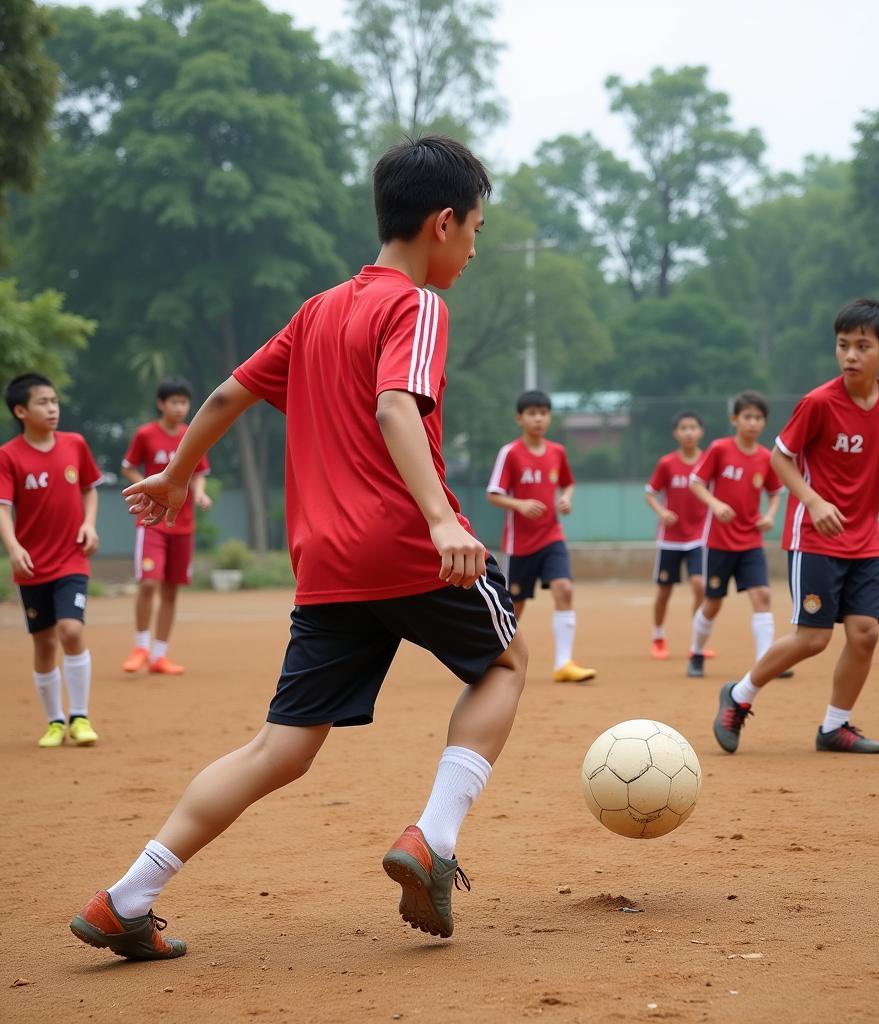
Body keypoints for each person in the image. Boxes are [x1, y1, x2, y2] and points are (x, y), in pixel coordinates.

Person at [69, 136, 527, 961]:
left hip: (326, 566)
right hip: (405, 547)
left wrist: (174, 476)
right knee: (504, 663)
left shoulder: (317, 311)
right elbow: (396, 409)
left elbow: (223, 393)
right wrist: (441, 520)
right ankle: (434, 836)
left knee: (279, 746)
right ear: (444, 222)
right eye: (476, 231)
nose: (473, 248)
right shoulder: (417, 306)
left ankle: (126, 897)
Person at [713, 298, 879, 755]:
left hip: (866, 536)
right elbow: (779, 457)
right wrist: (812, 499)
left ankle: (834, 727)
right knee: (814, 638)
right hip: (815, 534)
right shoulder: (819, 402)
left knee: (865, 632)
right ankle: (739, 695)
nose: (849, 355)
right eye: (842, 345)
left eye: (861, 346)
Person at [0, 373, 102, 748]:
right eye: (43, 402)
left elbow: (89, 489)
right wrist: (14, 547)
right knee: (43, 644)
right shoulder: (8, 455)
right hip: (31, 566)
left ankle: (80, 717)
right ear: (20, 410)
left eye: (55, 401)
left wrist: (89, 525)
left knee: (70, 631)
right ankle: (55, 722)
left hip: (71, 560)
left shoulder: (75, 444)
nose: (53, 408)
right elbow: (3, 507)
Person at [486, 390, 595, 683]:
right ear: (520, 419)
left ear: (549, 417)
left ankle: (563, 663)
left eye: (543, 413)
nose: (538, 418)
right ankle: (492, 655)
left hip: (552, 536)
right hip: (520, 544)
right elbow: (493, 494)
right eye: (532, 413)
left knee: (564, 589)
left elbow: (568, 484)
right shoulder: (510, 453)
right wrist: (519, 503)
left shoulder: (557, 452)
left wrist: (566, 499)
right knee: (514, 605)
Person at [686, 391, 784, 679]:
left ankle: (766, 661)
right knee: (713, 602)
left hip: (751, 541)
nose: (753, 423)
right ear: (735, 419)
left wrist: (769, 516)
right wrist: (715, 504)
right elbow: (697, 482)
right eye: (747, 417)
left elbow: (775, 492)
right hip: (719, 542)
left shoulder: (767, 457)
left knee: (762, 595)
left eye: (759, 418)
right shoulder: (719, 449)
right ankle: (696, 652)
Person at [121, 376, 212, 675]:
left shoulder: (192, 434)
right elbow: (128, 466)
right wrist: (146, 488)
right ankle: (140, 647)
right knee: (149, 583)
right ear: (161, 404)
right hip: (152, 521)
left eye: (184, 402)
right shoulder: (146, 434)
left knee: (171, 590)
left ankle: (159, 655)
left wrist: (199, 494)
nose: (180, 407)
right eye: (174, 402)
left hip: (183, 524)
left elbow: (199, 472)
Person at [644, 410, 713, 660]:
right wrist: (662, 512)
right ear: (676, 433)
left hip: (699, 536)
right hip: (670, 539)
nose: (689, 432)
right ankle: (658, 636)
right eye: (683, 428)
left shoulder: (708, 461)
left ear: (701, 431)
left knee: (700, 586)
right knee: (665, 590)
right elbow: (650, 493)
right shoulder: (667, 463)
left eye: (693, 427)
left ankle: (697, 642)